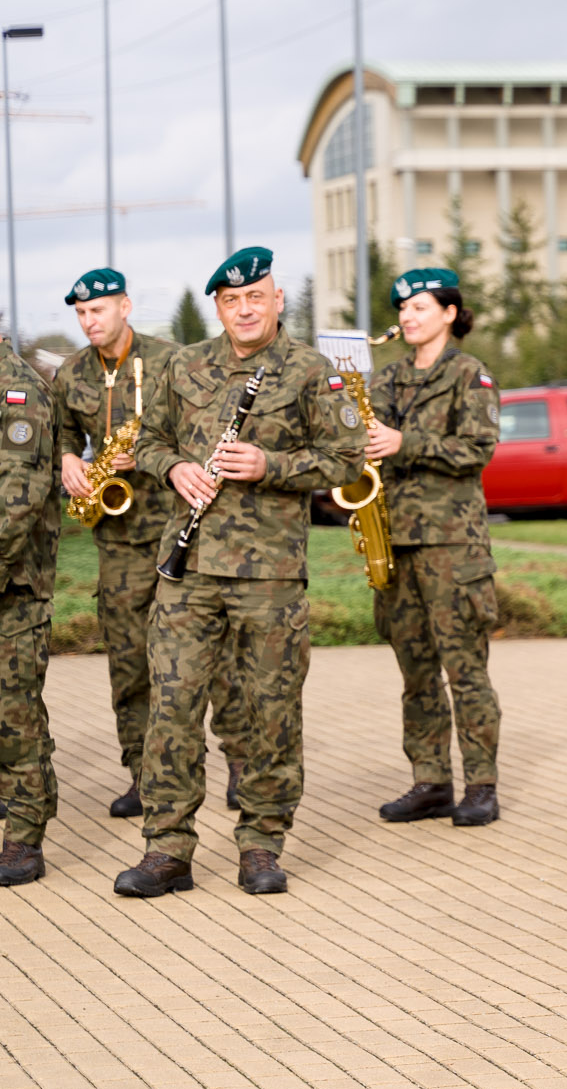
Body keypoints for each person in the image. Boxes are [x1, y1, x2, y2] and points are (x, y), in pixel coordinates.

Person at [115, 247, 366, 898]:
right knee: (171, 706)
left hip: (269, 575)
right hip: (187, 568)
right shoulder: (185, 363)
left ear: (277, 298)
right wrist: (173, 467)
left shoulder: (312, 371)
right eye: (231, 299)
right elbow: (145, 440)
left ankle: (261, 842)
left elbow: (345, 460)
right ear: (219, 307)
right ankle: (167, 848)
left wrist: (271, 465)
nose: (244, 307)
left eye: (255, 295)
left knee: (268, 711)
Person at [52, 268, 245, 818]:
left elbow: (208, 427)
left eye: (99, 310)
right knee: (129, 665)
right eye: (82, 313)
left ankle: (238, 763)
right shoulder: (71, 372)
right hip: (116, 540)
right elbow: (63, 429)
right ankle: (143, 774)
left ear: (125, 307)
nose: (89, 321)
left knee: (210, 655)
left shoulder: (172, 361)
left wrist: (159, 453)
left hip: (176, 532)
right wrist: (68, 456)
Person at [367, 268, 504, 828]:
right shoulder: (385, 377)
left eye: (420, 306)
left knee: (464, 668)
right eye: (402, 307)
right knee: (415, 670)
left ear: (450, 312)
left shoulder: (470, 374)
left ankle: (481, 786)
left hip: (453, 546)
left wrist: (405, 443)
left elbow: (479, 448)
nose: (407, 316)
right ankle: (429, 779)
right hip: (394, 541)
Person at [0, 338, 62, 887]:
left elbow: (18, 500)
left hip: (13, 588)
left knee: (13, 716)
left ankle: (24, 834)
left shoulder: (20, 394)